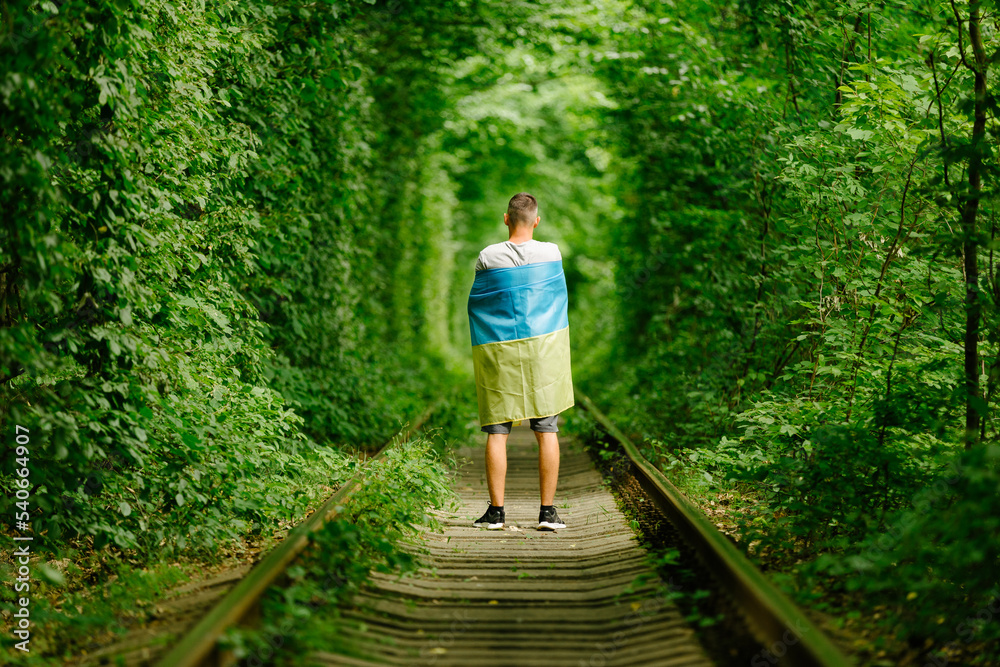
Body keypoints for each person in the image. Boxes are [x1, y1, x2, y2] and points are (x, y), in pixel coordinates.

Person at [467, 192, 574, 531]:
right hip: (543, 353)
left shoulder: (488, 256)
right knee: (547, 430)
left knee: (498, 432)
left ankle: (496, 513)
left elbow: (480, 304)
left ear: (506, 219)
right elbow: (554, 298)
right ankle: (547, 513)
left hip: (501, 353)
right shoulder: (552, 253)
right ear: (536, 221)